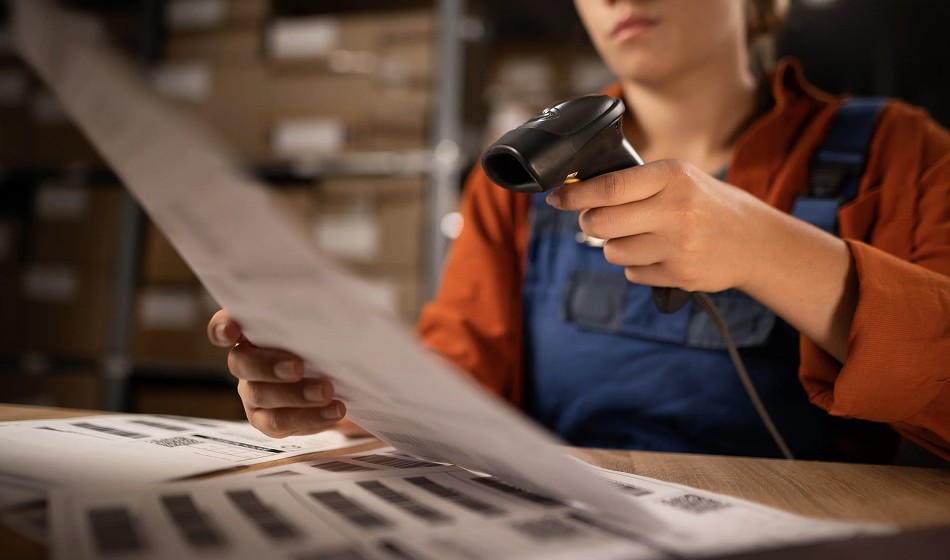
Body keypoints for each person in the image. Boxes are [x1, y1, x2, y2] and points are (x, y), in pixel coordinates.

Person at [208, 0, 950, 461]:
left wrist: (768, 248)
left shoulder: (900, 151)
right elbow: (460, 381)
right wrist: (344, 391)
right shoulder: (523, 175)